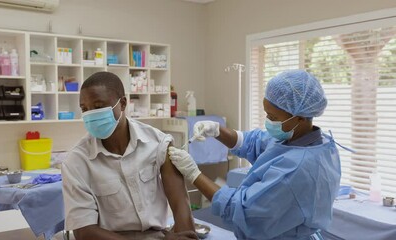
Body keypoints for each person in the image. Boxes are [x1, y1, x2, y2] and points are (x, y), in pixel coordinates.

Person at [168, 70, 341, 240]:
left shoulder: (296, 170)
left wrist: (193, 173)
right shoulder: (302, 138)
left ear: (300, 118)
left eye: (272, 117)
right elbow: (253, 141)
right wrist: (216, 130)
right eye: (266, 114)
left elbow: (241, 209)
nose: (268, 121)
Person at [62, 72, 198, 240]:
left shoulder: (158, 143)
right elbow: (85, 232)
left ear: (123, 103)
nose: (90, 114)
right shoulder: (76, 162)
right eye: (84, 109)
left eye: (98, 107)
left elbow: (180, 205)